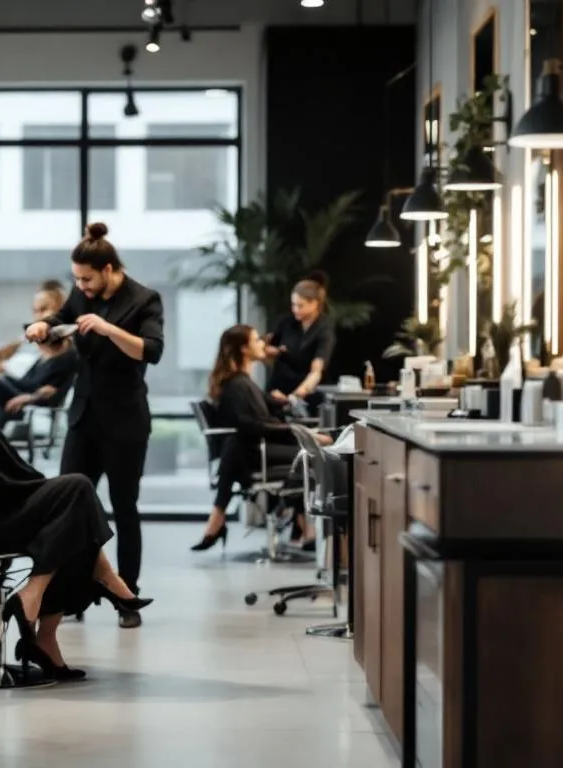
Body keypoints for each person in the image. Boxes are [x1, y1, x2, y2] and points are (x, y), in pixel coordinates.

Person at [0, 322, 151, 678]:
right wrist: (44, 493)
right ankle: (55, 595)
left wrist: (42, 492)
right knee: (77, 493)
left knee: (74, 514)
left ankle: (47, 633)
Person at [25, 222, 163, 629]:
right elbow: (62, 316)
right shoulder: (81, 293)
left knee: (124, 508)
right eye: (75, 279)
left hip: (125, 423)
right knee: (69, 509)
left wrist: (107, 328)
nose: (80, 286)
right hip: (83, 418)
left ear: (107, 269)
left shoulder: (144, 300)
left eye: (86, 278)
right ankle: (73, 595)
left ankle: (128, 597)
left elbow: (151, 351)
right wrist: (43, 326)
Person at [192, 325, 332, 551]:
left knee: (307, 453)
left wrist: (279, 404)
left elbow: (259, 410)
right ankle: (308, 530)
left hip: (249, 451)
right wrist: (302, 433)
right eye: (257, 340)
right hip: (257, 453)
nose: (263, 345)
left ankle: (305, 530)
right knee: (313, 456)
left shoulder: (241, 382)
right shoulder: (238, 385)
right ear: (244, 349)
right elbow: (253, 424)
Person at [0, 281, 78, 432]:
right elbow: (24, 380)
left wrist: (29, 398)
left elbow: (50, 392)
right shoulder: (41, 350)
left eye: (44, 309)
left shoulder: (68, 354)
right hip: (24, 393)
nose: (38, 316)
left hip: (31, 406)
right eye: (35, 311)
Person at [265, 271, 336, 409]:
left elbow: (316, 371)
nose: (295, 309)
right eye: (293, 304)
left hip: (305, 392)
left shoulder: (324, 329)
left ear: (315, 304)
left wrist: (295, 397)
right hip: (277, 387)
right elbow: (269, 349)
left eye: (300, 305)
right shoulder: (286, 322)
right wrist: (275, 351)